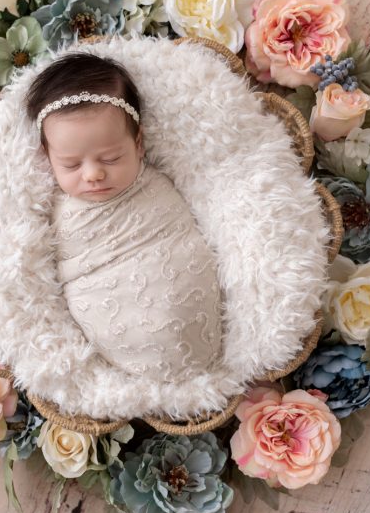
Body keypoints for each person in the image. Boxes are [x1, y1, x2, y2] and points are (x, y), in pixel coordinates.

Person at [25, 52, 223, 381]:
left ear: (138, 144)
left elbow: (185, 235)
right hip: (112, 313)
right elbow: (55, 272)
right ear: (48, 157)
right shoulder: (60, 212)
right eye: (71, 165)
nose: (92, 174)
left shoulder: (157, 186)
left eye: (112, 157)